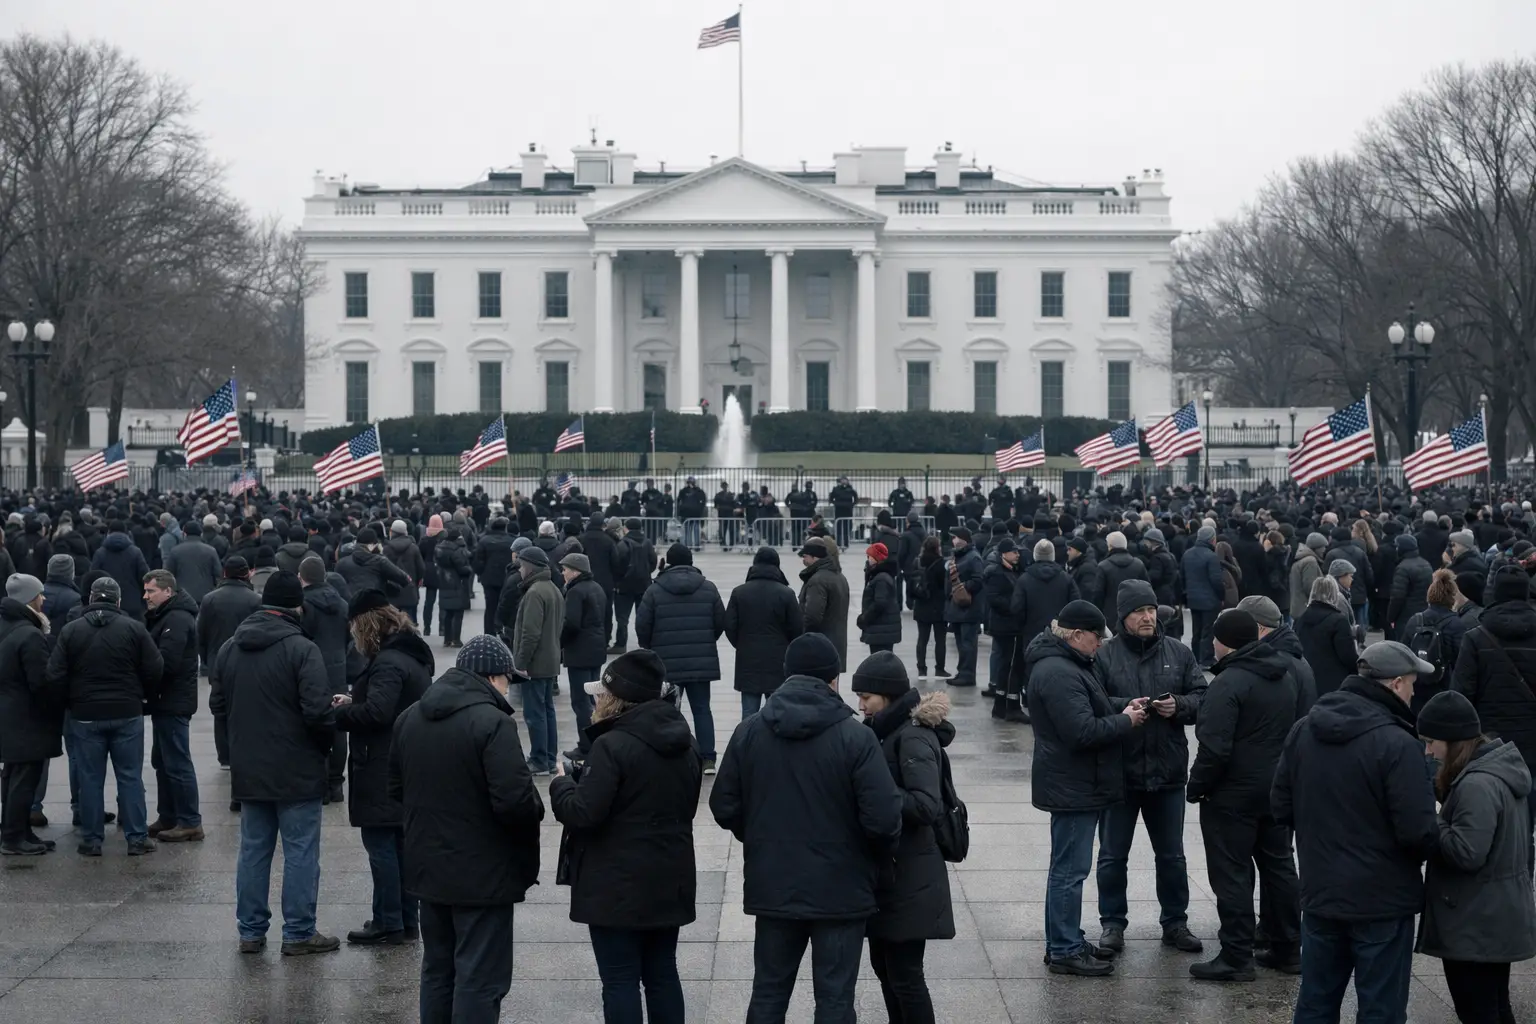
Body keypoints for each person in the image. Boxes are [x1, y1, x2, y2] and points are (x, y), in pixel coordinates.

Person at [709, 632, 903, 1022]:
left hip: (774, 884)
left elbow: (723, 805)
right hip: (842, 889)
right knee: (835, 1000)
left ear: (786, 674)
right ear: (833, 678)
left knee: (768, 992)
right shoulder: (857, 737)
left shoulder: (750, 731)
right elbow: (883, 820)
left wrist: (763, 837)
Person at [1272, 641, 1440, 1023]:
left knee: (1315, 1003)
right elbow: (1417, 832)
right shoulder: (1399, 743)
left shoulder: (1304, 729)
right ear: (1396, 683)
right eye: (1412, 684)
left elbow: (1280, 807)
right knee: (1381, 1009)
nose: (1414, 694)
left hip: (1321, 894)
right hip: (1382, 902)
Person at [390, 635, 545, 1023]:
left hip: (428, 870)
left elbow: (395, 789)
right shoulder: (493, 723)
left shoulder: (409, 718)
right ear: (492, 677)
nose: (508, 689)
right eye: (507, 680)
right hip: (483, 876)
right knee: (480, 977)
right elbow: (515, 803)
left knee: (438, 971)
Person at [550, 650, 703, 1024]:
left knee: (620, 980)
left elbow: (583, 813)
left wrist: (561, 784)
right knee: (662, 974)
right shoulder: (686, 742)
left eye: (600, 695)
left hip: (617, 885)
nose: (595, 702)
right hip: (670, 878)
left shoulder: (612, 745)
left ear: (615, 699)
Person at [213, 571, 340, 955]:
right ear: (297, 607)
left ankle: (251, 932)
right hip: (297, 767)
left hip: (250, 767)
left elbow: (218, 705)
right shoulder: (303, 649)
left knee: (253, 850)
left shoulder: (231, 647)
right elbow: (318, 712)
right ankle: (299, 932)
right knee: (300, 851)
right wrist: (323, 751)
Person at [1026, 599, 1146, 976]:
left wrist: (1124, 705)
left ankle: (1064, 941)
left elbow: (1091, 704)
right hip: (1073, 786)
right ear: (1076, 635)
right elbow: (1081, 731)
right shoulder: (1059, 671)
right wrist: (1125, 722)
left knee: (1067, 869)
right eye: (1097, 637)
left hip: (1074, 782)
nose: (1100, 644)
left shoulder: (1069, 663)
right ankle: (1064, 949)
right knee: (1069, 872)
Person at [1185, 608, 1302, 981]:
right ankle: (1288, 949)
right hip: (1276, 790)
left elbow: (1214, 748)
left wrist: (1197, 786)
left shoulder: (1228, 682)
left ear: (1225, 642)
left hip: (1232, 795)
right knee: (1279, 867)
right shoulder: (1283, 675)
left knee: (1232, 873)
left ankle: (1236, 956)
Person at [1093, 580, 1206, 956]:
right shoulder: (1104, 655)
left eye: (1151, 610)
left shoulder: (1179, 652)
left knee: (1172, 856)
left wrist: (1180, 705)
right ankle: (1112, 924)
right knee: (1112, 856)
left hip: (1167, 771)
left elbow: (1202, 696)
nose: (1147, 617)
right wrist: (1125, 706)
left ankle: (1175, 923)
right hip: (1120, 773)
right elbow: (1092, 700)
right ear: (1123, 616)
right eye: (1139, 611)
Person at [1414, 689, 1536, 1024]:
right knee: (1496, 1008)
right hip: (1495, 916)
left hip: (1476, 922)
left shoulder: (1477, 785)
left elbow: (1467, 853)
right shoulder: (1498, 771)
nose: (1428, 751)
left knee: (1478, 1012)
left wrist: (1433, 820)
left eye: (1431, 742)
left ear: (1454, 741)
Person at [852, 651, 956, 1023]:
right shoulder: (883, 730)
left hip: (911, 875)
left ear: (888, 695)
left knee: (906, 975)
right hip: (891, 872)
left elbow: (926, 805)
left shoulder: (912, 737)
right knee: (885, 967)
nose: (860, 705)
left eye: (866, 697)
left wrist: (876, 792)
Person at [332, 589, 433, 945]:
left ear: (366, 625)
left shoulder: (389, 662)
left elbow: (378, 712)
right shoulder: (410, 653)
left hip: (381, 764)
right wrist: (356, 697)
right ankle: (405, 921)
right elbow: (392, 702)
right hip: (405, 759)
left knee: (381, 847)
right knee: (400, 846)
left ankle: (388, 922)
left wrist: (341, 713)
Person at [48, 576, 162, 856]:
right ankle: (137, 838)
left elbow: (55, 674)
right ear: (118, 601)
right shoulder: (134, 628)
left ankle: (91, 840)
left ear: (90, 599)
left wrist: (69, 702)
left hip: (85, 713)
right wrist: (143, 695)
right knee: (130, 776)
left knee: (89, 778)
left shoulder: (72, 630)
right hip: (127, 711)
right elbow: (155, 667)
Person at [1451, 562, 1536, 873]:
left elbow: (1461, 697)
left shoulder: (1476, 637)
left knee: (1486, 819)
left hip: (1488, 745)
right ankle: (1523, 880)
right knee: (1526, 822)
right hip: (1533, 744)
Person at [637, 544, 726, 775]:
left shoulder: (654, 590)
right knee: (702, 709)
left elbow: (643, 624)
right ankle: (708, 759)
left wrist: (650, 648)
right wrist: (705, 641)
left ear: (668, 562)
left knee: (667, 710)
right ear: (691, 561)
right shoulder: (708, 588)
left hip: (666, 662)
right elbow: (720, 622)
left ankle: (668, 754)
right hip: (700, 662)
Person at [0, 574, 62, 855]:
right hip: (26, 717)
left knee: (13, 775)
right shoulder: (30, 634)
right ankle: (14, 838)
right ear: (29, 598)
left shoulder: (7, 626)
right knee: (24, 779)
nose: (43, 598)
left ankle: (18, 831)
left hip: (8, 714)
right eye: (40, 594)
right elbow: (41, 681)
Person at [142, 569, 203, 843]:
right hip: (164, 701)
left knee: (177, 762)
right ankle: (167, 815)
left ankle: (190, 821)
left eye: (151, 591)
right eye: (145, 591)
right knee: (162, 761)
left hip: (174, 701)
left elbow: (167, 662)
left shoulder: (176, 618)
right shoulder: (165, 616)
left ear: (168, 591)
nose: (146, 596)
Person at [1003, 537, 1082, 723]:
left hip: (1031, 634)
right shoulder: (1066, 578)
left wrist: (1022, 626)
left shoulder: (1024, 579)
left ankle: (1034, 706)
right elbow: (1076, 605)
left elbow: (1016, 608)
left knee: (1031, 671)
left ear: (1035, 555)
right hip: (1060, 635)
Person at [199, 556, 263, 775]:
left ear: (224, 573)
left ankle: (225, 755)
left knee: (221, 709)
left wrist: (207, 660)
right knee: (248, 707)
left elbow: (201, 633)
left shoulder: (209, 599)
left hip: (217, 661)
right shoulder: (255, 600)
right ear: (247, 574)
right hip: (248, 661)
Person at [724, 547, 803, 718]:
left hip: (748, 658)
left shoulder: (739, 592)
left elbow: (729, 625)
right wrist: (785, 647)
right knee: (776, 712)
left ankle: (748, 736)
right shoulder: (786, 593)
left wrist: (742, 643)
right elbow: (797, 628)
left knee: (749, 712)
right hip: (778, 659)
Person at [298, 556, 351, 805]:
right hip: (338, 669)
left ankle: (320, 781)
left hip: (310, 670)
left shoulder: (303, 605)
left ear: (301, 577)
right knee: (338, 726)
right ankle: (336, 783)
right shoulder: (342, 603)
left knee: (312, 723)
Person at [510, 546, 565, 775]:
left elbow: (530, 634)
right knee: (547, 710)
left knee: (534, 714)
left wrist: (521, 663)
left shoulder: (534, 593)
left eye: (522, 566)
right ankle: (549, 759)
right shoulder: (553, 589)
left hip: (535, 663)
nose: (520, 570)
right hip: (550, 659)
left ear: (530, 567)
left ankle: (539, 760)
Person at [558, 552, 607, 754]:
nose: (563, 573)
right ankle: (596, 742)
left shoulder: (575, 592)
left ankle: (586, 746)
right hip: (596, 649)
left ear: (576, 571)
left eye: (565, 569)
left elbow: (571, 624)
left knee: (580, 702)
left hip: (580, 652)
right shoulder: (597, 588)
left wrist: (559, 643)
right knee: (593, 699)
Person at [1296, 574, 1358, 698]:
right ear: (1334, 594)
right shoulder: (1338, 621)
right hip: (1334, 683)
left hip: (1307, 681)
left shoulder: (1300, 620)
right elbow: (1348, 656)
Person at [797, 537, 850, 673]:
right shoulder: (840, 577)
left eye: (805, 556)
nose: (803, 560)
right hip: (836, 645)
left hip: (820, 649)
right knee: (832, 684)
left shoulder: (818, 580)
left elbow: (812, 617)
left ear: (815, 557)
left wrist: (803, 639)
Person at [981, 537, 1021, 701]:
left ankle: (999, 687)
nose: (1017, 554)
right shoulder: (997, 572)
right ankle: (999, 688)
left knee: (1003, 656)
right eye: (1014, 552)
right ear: (1004, 554)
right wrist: (1014, 607)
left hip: (1006, 623)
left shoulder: (1010, 570)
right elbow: (994, 598)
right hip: (1002, 623)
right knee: (1004, 657)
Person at [944, 527, 985, 687]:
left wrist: (962, 588)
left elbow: (978, 580)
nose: (953, 540)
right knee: (962, 643)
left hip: (969, 608)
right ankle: (962, 672)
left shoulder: (973, 557)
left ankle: (967, 674)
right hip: (959, 607)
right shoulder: (961, 556)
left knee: (967, 644)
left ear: (963, 539)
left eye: (955, 537)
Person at [1182, 526, 1224, 668]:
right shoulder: (1211, 556)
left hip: (1193, 598)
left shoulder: (1187, 554)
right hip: (1210, 600)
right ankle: (1205, 659)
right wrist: (1221, 596)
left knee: (1196, 630)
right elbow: (1216, 580)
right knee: (1208, 631)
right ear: (1212, 540)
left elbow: (1182, 577)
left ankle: (1195, 657)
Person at [612, 518, 656, 654]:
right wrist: (646, 573)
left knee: (622, 617)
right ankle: (646, 643)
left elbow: (617, 564)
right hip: (644, 584)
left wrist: (619, 580)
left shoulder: (622, 543)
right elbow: (653, 561)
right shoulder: (647, 542)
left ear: (626, 528)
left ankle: (621, 644)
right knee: (643, 616)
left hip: (625, 586)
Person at [470, 517, 514, 636]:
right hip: (507, 579)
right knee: (506, 606)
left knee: (490, 607)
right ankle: (503, 631)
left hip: (489, 580)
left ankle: (489, 633)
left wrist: (480, 574)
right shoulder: (511, 541)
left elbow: (478, 561)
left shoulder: (484, 541)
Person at [1095, 532, 1148, 630]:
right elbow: (1147, 591)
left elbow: (1098, 595)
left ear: (1110, 546)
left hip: (1110, 616)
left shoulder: (1103, 566)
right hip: (1135, 613)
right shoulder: (1138, 564)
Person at [858, 540, 902, 656]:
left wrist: (865, 618)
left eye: (870, 556)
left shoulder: (881, 579)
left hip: (881, 629)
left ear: (876, 558)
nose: (867, 559)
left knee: (879, 659)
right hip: (882, 628)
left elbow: (880, 603)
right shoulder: (880, 575)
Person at [433, 526, 475, 648]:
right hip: (456, 583)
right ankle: (456, 639)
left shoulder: (439, 549)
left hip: (443, 582)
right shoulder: (456, 551)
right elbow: (462, 568)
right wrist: (469, 569)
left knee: (447, 613)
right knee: (458, 613)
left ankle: (447, 639)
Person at [913, 535, 948, 680]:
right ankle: (940, 669)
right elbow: (945, 586)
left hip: (921, 605)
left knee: (922, 639)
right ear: (937, 548)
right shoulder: (942, 564)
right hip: (938, 606)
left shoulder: (918, 562)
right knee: (940, 640)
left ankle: (922, 670)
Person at [163, 520, 222, 605]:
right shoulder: (211, 551)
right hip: (205, 596)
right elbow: (218, 574)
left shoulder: (175, 551)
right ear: (200, 534)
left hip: (182, 596)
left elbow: (168, 574)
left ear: (184, 534)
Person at [1386, 533, 1432, 641]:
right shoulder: (1426, 564)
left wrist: (1391, 617)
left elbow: (1397, 596)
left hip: (1405, 615)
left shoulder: (1403, 568)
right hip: (1423, 612)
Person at [382, 519, 427, 626]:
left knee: (393, 623)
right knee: (410, 622)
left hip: (392, 591)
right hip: (410, 589)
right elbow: (421, 568)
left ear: (392, 532)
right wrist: (417, 581)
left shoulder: (386, 549)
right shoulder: (413, 548)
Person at [1288, 533, 1327, 623]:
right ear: (1316, 547)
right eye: (1323, 547)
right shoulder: (1310, 561)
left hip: (1299, 608)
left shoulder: (1301, 560)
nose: (1324, 550)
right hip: (1307, 610)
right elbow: (1310, 587)